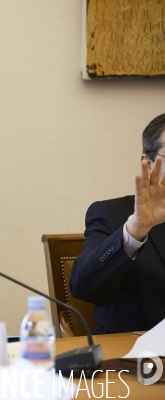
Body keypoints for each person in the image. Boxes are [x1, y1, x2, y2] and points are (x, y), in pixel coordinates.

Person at [70, 113, 165, 334]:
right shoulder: (111, 214)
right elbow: (83, 287)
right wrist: (135, 230)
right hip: (136, 357)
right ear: (148, 163)